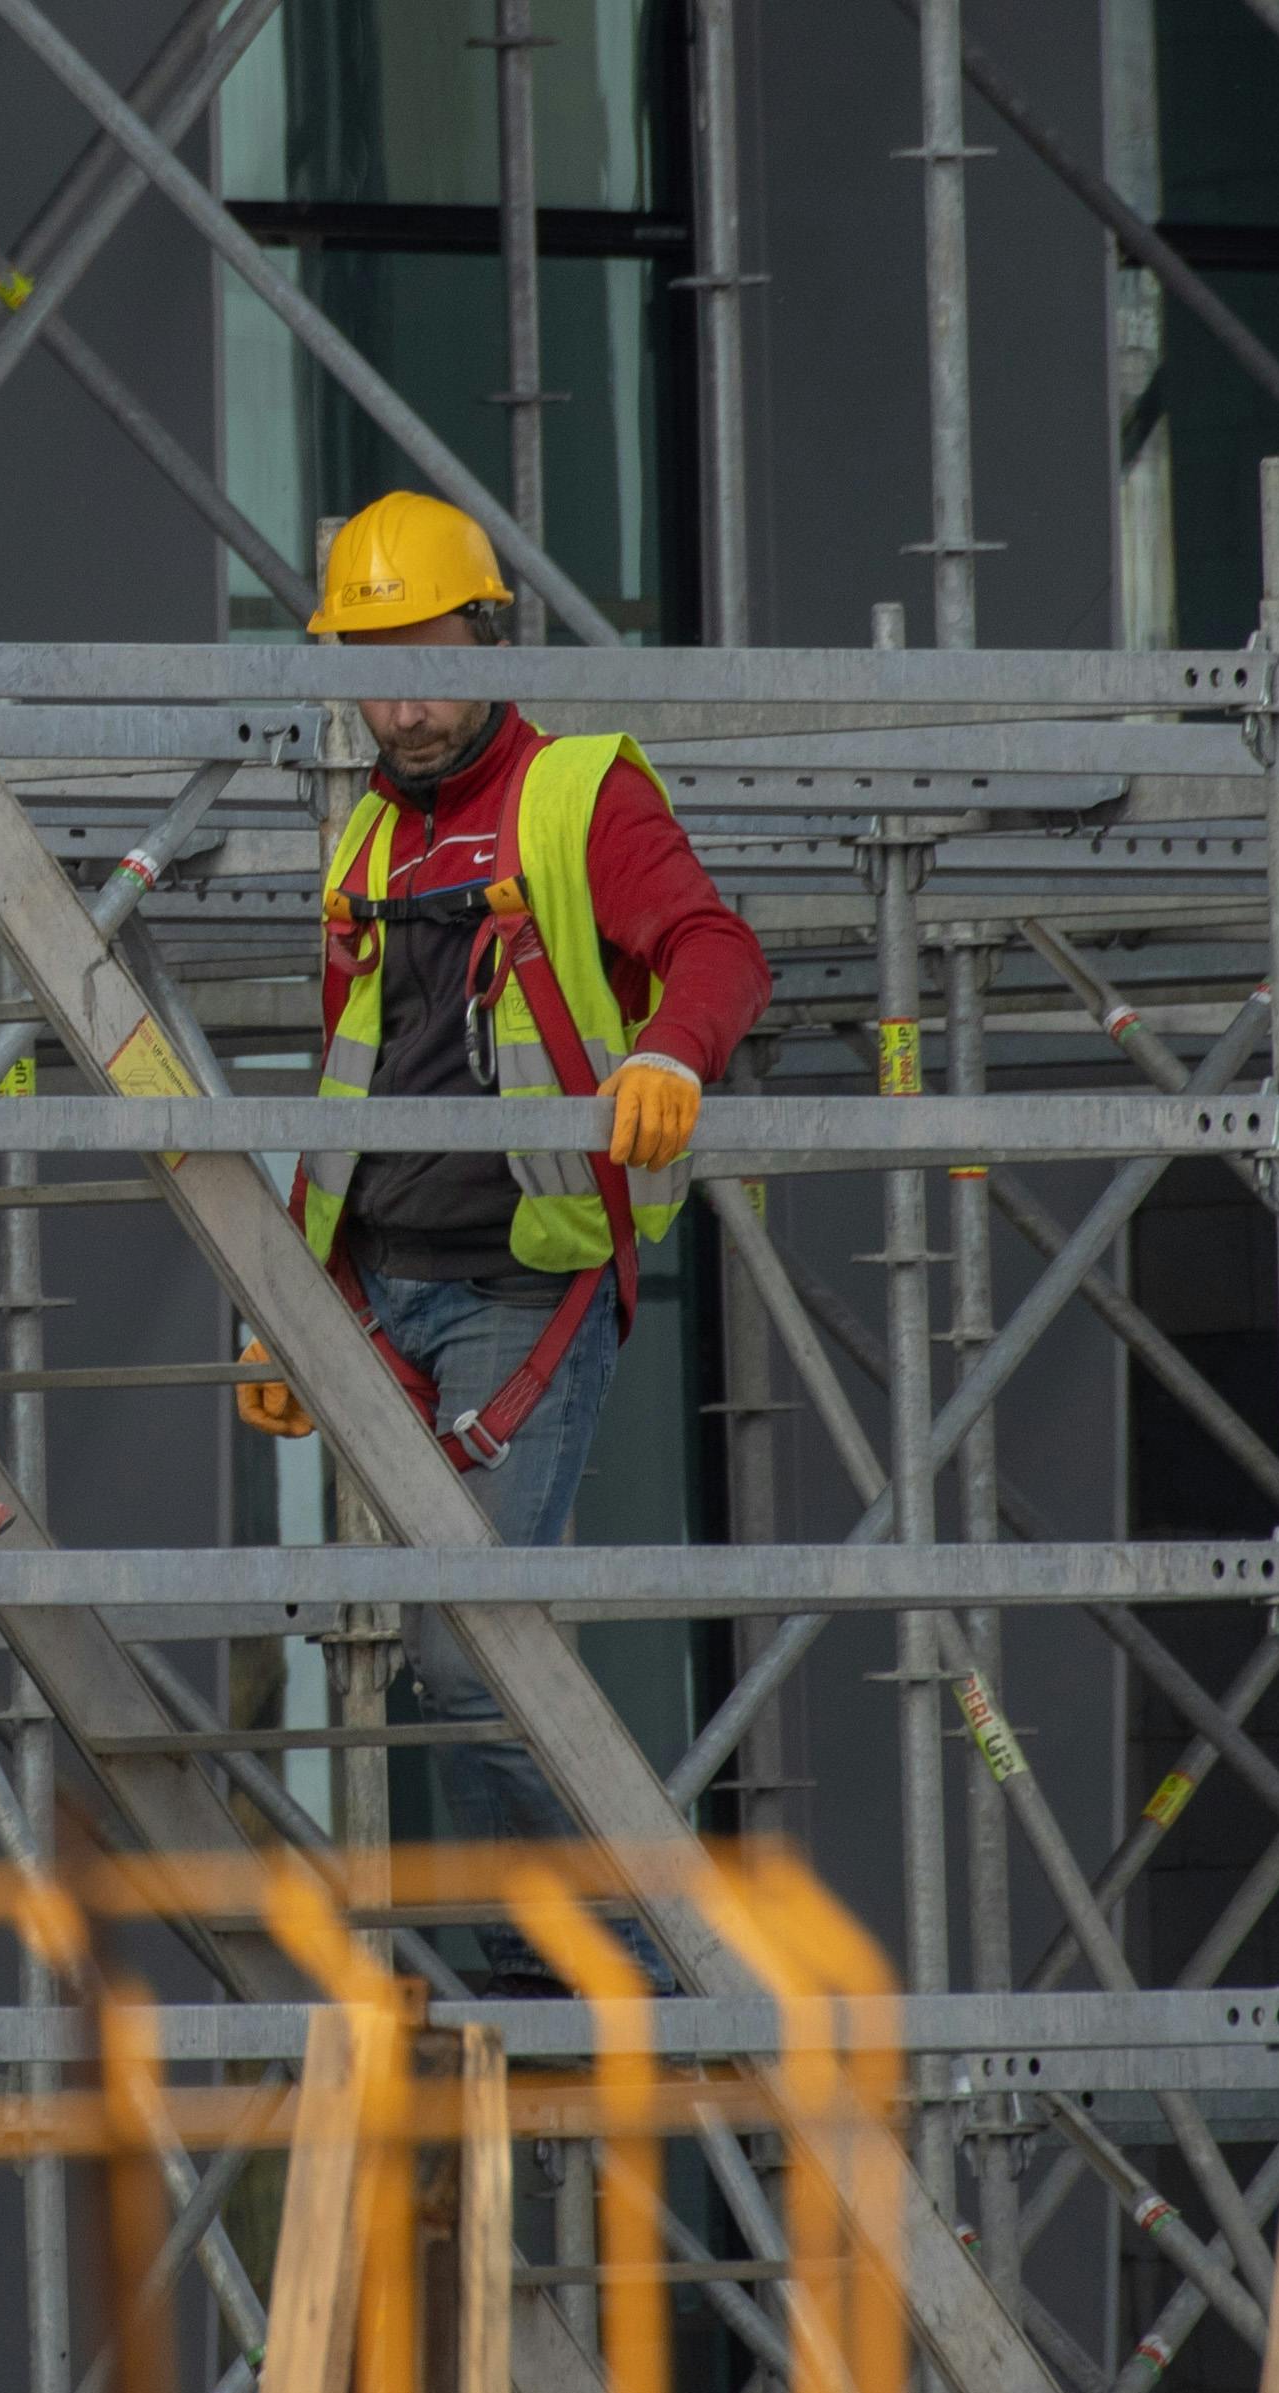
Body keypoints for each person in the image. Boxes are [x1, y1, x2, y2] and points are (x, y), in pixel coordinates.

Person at [237, 492, 774, 1965]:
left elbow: (716, 947)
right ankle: (540, 1956)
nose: (400, 704)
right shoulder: (364, 840)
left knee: (469, 1648)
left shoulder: (575, 793)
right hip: (381, 1291)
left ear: (491, 633)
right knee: (447, 1657)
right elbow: (353, 1086)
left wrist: (670, 1054)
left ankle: (627, 1965)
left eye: (425, 657)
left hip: (517, 1289)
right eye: (369, 665)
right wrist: (286, 1302)